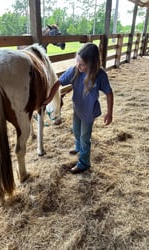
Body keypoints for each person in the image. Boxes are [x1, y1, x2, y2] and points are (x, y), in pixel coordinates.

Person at [43, 42, 114, 174]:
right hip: (78, 108)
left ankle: (84, 163)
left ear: (92, 64)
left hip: (89, 113)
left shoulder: (100, 75)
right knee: (76, 131)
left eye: (82, 64)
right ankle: (78, 147)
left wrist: (109, 113)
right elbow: (59, 82)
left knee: (84, 138)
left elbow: (109, 92)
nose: (78, 66)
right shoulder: (75, 70)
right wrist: (48, 99)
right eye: (77, 62)